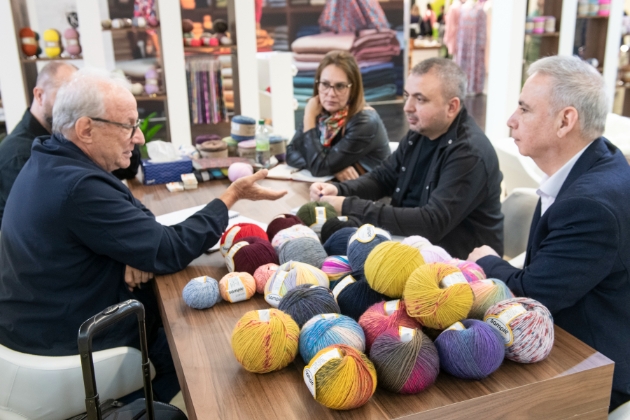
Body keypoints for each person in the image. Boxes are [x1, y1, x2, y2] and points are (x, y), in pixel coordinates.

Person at [0, 68, 287, 403]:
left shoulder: (52, 157)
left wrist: (131, 249)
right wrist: (230, 196)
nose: (139, 138)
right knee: (201, 352)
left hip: (35, 327)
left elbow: (143, 223)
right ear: (86, 129)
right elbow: (168, 249)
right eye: (129, 126)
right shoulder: (78, 187)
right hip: (63, 344)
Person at [468, 56, 630, 412]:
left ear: (565, 121)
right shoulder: (599, 160)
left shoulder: (591, 205)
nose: (511, 120)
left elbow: (533, 294)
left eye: (524, 109)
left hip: (594, 368)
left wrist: (487, 262)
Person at [310, 58, 503, 259]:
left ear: (452, 107)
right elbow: (383, 178)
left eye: (420, 99)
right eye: (406, 95)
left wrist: (347, 204)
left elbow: (431, 223)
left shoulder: (469, 154)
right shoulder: (420, 133)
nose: (407, 107)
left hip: (461, 269)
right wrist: (340, 189)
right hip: (412, 247)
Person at [286, 50, 390, 182]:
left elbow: (318, 167)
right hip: (337, 191)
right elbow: (290, 153)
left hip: (370, 199)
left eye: (340, 86)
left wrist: (309, 117)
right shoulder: (320, 113)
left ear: (353, 88)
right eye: (325, 84)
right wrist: (333, 168)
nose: (330, 93)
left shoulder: (365, 121)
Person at [0, 61, 77, 226]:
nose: (72, 106)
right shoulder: (19, 156)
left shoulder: (58, 136)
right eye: (64, 96)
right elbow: (43, 224)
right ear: (39, 95)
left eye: (76, 97)